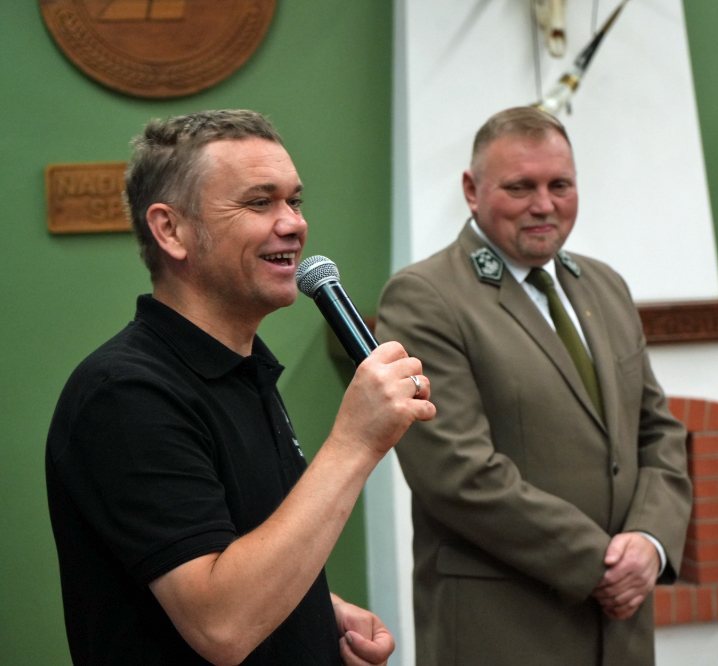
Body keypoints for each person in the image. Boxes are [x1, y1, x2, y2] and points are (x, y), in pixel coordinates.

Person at [45, 109, 436, 665]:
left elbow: (231, 551)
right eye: (259, 203)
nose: (293, 224)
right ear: (171, 230)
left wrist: (314, 613)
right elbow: (221, 624)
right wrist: (355, 442)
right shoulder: (124, 395)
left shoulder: (243, 370)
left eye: (294, 201)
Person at [375, 106, 692, 665]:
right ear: (472, 190)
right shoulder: (425, 297)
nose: (544, 204)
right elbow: (456, 472)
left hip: (621, 630)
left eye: (560, 185)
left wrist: (651, 541)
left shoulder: (605, 285)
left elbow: (658, 432)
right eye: (520, 187)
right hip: (504, 627)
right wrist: (603, 564)